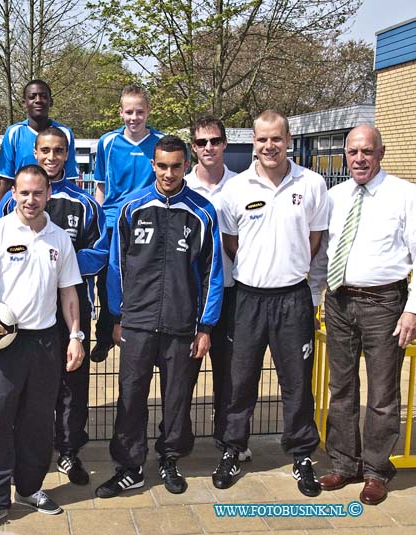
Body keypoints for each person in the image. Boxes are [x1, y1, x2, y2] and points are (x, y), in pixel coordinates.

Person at [94, 135, 223, 498]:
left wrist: (206, 326)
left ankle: (170, 458)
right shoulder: (131, 209)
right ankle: (129, 467)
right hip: (136, 320)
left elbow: (212, 273)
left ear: (187, 166)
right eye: (162, 165)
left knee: (177, 397)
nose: (169, 173)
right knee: (131, 396)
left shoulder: (202, 211)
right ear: (153, 165)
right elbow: (116, 268)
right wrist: (117, 316)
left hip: (182, 324)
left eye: (176, 166)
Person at [317, 125, 416, 505]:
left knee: (383, 394)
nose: (359, 159)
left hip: (385, 306)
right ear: (345, 155)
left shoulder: (404, 194)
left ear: (381, 152)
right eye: (352, 152)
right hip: (338, 302)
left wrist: (414, 310)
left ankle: (375, 470)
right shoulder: (334, 197)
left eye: (366, 151)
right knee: (342, 389)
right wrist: (317, 294)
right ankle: (344, 463)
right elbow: (322, 253)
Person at [214, 110, 328, 497]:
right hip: (248, 299)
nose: (269, 146)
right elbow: (231, 243)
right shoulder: (236, 189)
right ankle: (233, 449)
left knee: (297, 383)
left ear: (289, 139)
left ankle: (300, 456)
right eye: (262, 140)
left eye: (276, 139)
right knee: (239, 380)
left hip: (293, 300)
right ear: (253, 142)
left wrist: (302, 283)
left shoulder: (312, 184)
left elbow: (315, 241)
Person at [0, 165, 84, 533]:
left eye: (37, 193)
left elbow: (68, 291)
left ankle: (31, 488)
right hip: (5, 342)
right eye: (23, 193)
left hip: (46, 341)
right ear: (12, 194)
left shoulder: (59, 238)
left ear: (48, 194)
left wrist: (76, 335)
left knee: (37, 421)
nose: (30, 200)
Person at [0, 127, 108, 486]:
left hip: (72, 309)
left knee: (72, 385)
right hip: (24, 314)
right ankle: (27, 451)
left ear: (67, 154)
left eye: (59, 151)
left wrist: (64, 263)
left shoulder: (86, 203)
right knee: (25, 386)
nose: (52, 157)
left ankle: (69, 451)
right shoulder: (11, 200)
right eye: (45, 150)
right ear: (35, 151)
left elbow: (101, 252)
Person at [183, 116, 252, 463]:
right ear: (193, 147)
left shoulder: (242, 186)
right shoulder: (181, 187)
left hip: (232, 292)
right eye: (201, 142)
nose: (208, 147)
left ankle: (229, 439)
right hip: (192, 297)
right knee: (185, 373)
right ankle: (178, 440)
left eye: (214, 141)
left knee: (230, 374)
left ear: (225, 143)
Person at [91, 84, 164, 363]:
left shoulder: (160, 142)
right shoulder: (107, 143)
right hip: (112, 220)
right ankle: (105, 334)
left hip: (147, 220)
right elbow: (100, 186)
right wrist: (98, 220)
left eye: (140, 112)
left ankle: (148, 335)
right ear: (120, 112)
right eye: (129, 112)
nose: (134, 118)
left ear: (148, 112)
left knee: (145, 277)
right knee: (108, 278)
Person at [0, 80, 79, 205]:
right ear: (24, 103)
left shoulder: (64, 133)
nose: (38, 100)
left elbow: (70, 178)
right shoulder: (14, 133)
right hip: (24, 205)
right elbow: (5, 180)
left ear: (51, 102)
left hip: (57, 204)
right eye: (32, 97)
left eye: (43, 96)